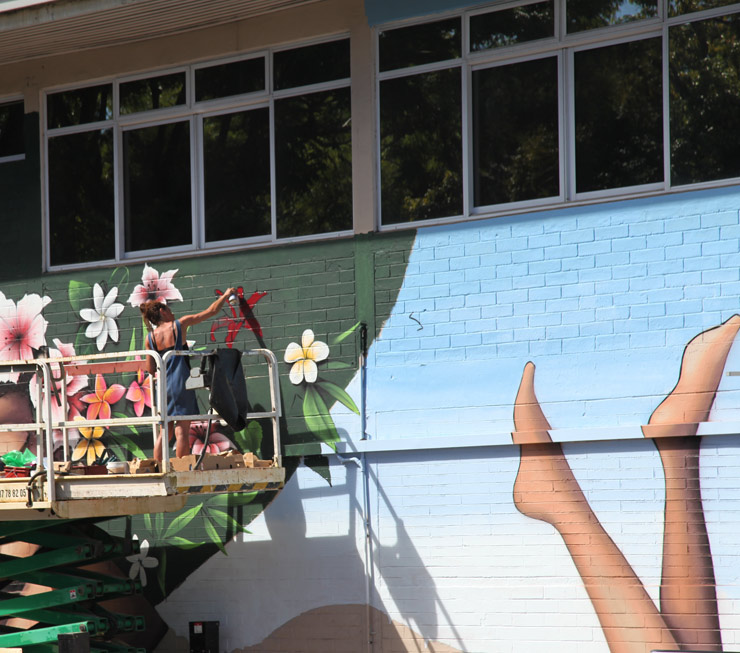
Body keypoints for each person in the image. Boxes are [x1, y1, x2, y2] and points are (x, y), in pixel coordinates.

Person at [140, 289, 236, 462]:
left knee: (165, 431)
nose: (172, 313)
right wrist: (226, 295)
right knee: (182, 431)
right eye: (169, 310)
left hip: (163, 387)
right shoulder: (179, 325)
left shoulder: (150, 338)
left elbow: (150, 369)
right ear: (162, 311)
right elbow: (211, 311)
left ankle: (156, 466)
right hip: (180, 384)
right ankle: (182, 466)